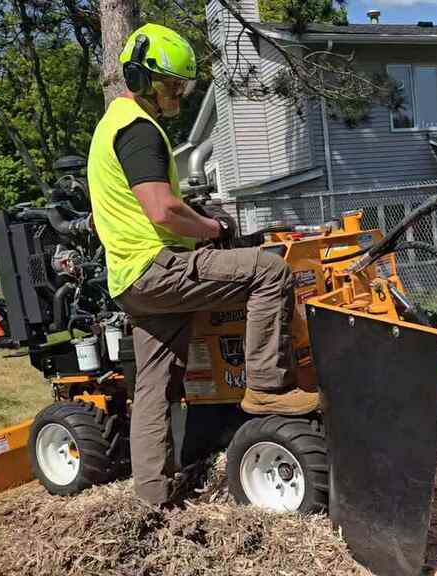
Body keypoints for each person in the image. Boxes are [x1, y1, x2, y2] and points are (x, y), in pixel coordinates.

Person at [87, 23, 318, 507]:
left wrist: (192, 220)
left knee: (154, 386)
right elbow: (161, 210)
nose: (179, 94)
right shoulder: (137, 131)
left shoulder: (111, 125)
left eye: (183, 85)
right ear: (141, 78)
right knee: (269, 271)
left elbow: (147, 206)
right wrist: (212, 229)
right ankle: (266, 386)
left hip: (130, 279)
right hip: (156, 266)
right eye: (172, 85)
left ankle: (152, 497)